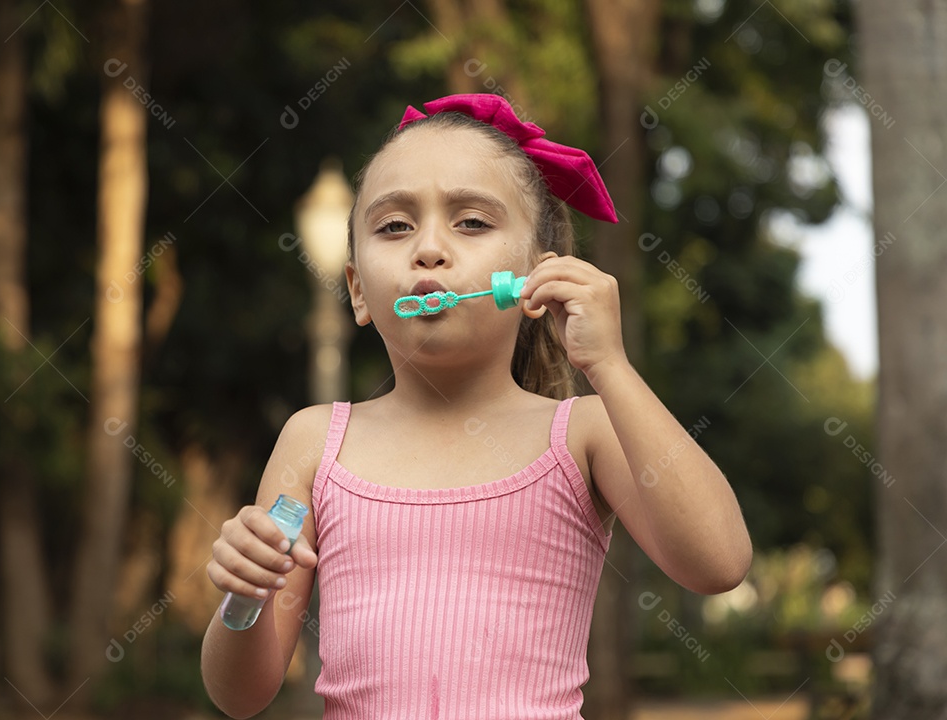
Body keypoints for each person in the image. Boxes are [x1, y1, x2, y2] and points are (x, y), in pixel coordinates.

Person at [201, 94, 752, 719]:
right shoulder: (314, 441)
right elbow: (239, 696)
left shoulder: (581, 434)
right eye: (394, 226)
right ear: (358, 290)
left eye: (471, 223)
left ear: (535, 278)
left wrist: (610, 367)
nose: (429, 249)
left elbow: (719, 561)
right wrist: (242, 598)